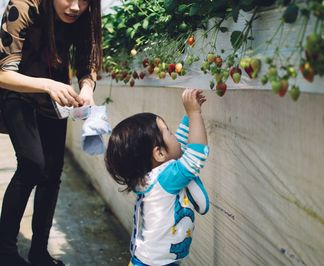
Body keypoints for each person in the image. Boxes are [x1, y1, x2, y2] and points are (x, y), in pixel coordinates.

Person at [0, 0, 102, 265]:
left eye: (84, 0)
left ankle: (39, 252)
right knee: (33, 164)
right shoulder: (23, 6)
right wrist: (45, 84)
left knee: (52, 174)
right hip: (17, 91)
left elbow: (87, 59)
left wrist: (87, 89)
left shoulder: (84, 14)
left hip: (55, 97)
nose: (76, 7)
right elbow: (2, 73)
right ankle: (6, 253)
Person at [105, 89, 210, 266]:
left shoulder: (148, 177)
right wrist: (194, 114)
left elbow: (179, 145)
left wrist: (189, 115)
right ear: (159, 154)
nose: (174, 135)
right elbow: (196, 154)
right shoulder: (166, 179)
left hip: (146, 260)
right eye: (168, 132)